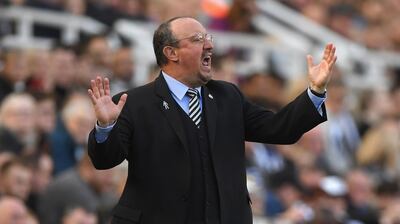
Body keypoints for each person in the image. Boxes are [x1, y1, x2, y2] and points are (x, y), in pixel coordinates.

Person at [87, 16, 337, 224]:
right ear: (171, 52)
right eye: (197, 39)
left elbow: (279, 129)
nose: (209, 45)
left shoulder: (228, 95)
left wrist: (314, 92)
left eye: (209, 38)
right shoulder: (133, 103)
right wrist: (105, 127)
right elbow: (105, 160)